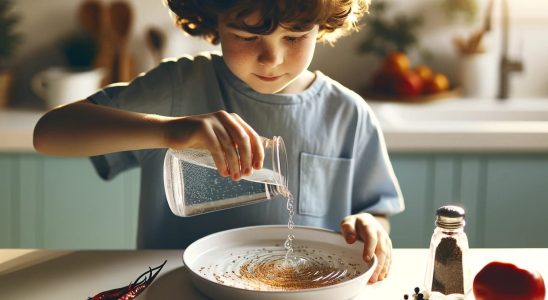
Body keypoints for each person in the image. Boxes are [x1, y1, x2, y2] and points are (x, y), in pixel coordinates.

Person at [33, 0, 404, 283]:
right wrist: (166, 130)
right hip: (174, 287)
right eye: (247, 36)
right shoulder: (179, 87)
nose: (271, 58)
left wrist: (370, 224)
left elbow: (376, 213)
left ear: (321, 26)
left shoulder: (347, 113)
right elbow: (49, 133)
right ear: (215, 21)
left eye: (294, 36)